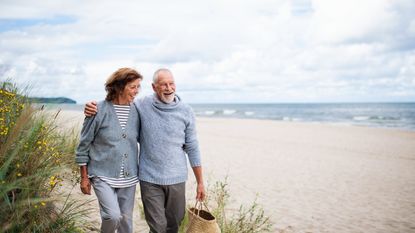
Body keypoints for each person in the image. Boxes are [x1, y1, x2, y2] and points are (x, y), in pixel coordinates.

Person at [84, 68, 205, 233]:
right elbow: (117, 103)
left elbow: (192, 146)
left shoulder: (186, 111)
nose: (169, 88)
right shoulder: (141, 105)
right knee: (157, 226)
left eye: (171, 83)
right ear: (154, 87)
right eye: (164, 84)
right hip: (149, 178)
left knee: (174, 223)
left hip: (176, 177)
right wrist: (92, 106)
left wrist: (200, 182)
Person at [76, 68, 143, 233]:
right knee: (112, 216)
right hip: (101, 173)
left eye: (138, 87)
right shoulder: (98, 110)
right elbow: (83, 145)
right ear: (119, 87)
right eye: (133, 87)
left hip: (129, 176)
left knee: (126, 223)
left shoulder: (138, 110)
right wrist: (84, 177)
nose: (137, 91)